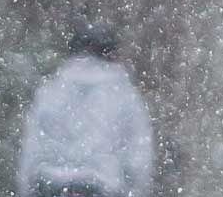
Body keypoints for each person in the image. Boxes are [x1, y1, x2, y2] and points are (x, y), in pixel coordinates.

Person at [16, 23, 154, 197]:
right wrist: (136, 188)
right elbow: (138, 153)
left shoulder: (51, 90)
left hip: (52, 185)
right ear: (111, 53)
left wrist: (27, 187)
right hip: (102, 186)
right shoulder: (124, 94)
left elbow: (33, 146)